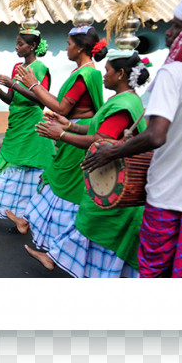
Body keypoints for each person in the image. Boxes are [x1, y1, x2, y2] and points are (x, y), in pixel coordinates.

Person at [82, 0, 182, 278]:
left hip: (168, 199)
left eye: (176, 26)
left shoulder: (174, 73)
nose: (168, 33)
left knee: (155, 273)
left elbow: (157, 134)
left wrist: (111, 152)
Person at [31, 49, 151, 277]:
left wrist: (61, 136)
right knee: (88, 221)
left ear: (121, 74)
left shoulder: (123, 104)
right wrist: (69, 126)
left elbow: (100, 139)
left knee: (95, 224)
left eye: (107, 70)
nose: (103, 75)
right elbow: (98, 129)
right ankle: (56, 257)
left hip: (119, 184)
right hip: (111, 178)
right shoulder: (121, 100)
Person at [5, 26, 107, 252]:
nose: (67, 48)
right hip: (68, 129)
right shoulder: (81, 72)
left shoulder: (85, 74)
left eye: (69, 44)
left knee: (63, 187)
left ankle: (63, 246)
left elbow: (62, 106)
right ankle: (35, 229)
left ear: (80, 48)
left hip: (75, 135)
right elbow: (64, 107)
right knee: (53, 181)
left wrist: (33, 85)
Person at [0, 29, 55, 226]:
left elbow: (40, 100)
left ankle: (25, 218)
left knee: (28, 171)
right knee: (4, 166)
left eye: (20, 44)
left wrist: (15, 84)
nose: (16, 47)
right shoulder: (16, 67)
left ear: (33, 46)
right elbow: (11, 98)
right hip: (16, 122)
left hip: (32, 123)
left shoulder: (41, 68)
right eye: (17, 43)